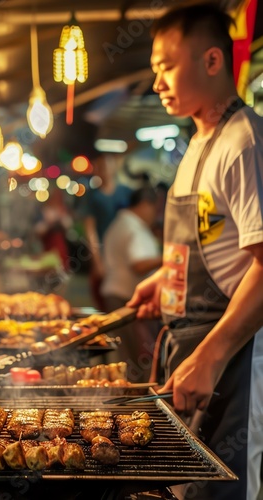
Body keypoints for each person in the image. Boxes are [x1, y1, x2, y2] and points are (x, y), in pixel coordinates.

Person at [127, 4, 263, 499]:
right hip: (194, 353)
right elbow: (220, 248)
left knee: (227, 490)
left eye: (165, 65)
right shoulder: (200, 141)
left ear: (211, 61)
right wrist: (165, 281)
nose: (157, 81)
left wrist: (211, 356)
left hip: (236, 359)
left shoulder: (244, 142)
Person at [101, 186, 163, 382]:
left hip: (117, 294)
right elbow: (138, 264)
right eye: (155, 208)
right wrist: (172, 259)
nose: (156, 215)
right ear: (145, 205)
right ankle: (134, 403)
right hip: (127, 299)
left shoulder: (120, 222)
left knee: (127, 356)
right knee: (136, 358)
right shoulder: (133, 227)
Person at [81, 153, 133, 311]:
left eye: (106, 165)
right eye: (99, 166)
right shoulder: (92, 196)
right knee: (105, 298)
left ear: (114, 167)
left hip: (124, 252)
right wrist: (96, 259)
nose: (103, 170)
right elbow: (89, 228)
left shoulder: (126, 192)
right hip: (104, 252)